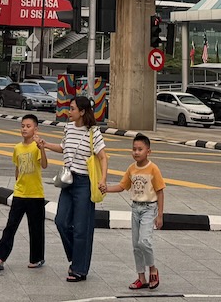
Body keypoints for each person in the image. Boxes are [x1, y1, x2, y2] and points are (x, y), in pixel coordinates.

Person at [39, 93, 107, 283]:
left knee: (81, 228)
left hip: (84, 183)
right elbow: (63, 147)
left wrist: (103, 179)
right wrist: (46, 145)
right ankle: (76, 256)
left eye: (72, 109)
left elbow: (103, 157)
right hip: (68, 180)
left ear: (82, 112)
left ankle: (79, 269)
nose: (69, 112)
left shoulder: (93, 132)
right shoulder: (68, 128)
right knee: (61, 221)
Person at [0, 114, 47, 272]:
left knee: (36, 229)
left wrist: (42, 148)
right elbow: (17, 168)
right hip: (20, 194)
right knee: (10, 226)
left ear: (35, 129)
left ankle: (37, 258)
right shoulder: (17, 148)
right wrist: (17, 184)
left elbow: (44, 165)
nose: (24, 129)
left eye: (28, 126)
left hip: (36, 194)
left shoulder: (37, 146)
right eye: (22, 126)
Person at [114, 133, 166, 291]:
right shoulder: (131, 169)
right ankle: (141, 277)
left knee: (144, 241)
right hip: (135, 208)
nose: (136, 152)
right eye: (134, 149)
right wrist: (105, 189)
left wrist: (160, 215)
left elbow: (160, 192)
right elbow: (122, 186)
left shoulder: (153, 169)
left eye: (140, 149)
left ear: (148, 151)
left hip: (149, 208)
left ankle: (153, 269)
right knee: (136, 245)